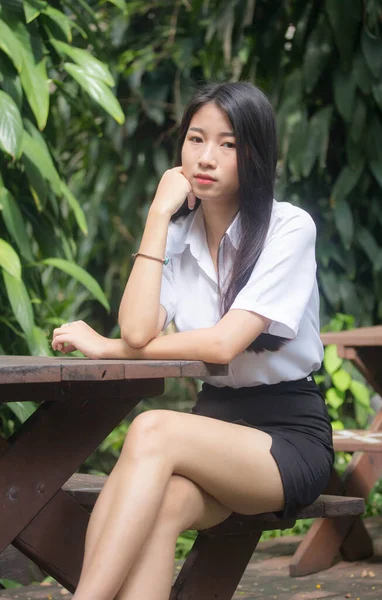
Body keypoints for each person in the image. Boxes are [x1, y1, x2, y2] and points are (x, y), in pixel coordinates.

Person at [52, 81, 334, 600]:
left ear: (255, 154)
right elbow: (139, 329)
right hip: (214, 428)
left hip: (286, 437)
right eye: (196, 139)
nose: (207, 157)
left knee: (153, 428)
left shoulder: (288, 228)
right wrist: (158, 216)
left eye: (228, 144)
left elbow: (224, 345)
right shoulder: (177, 237)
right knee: (158, 509)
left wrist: (108, 347)